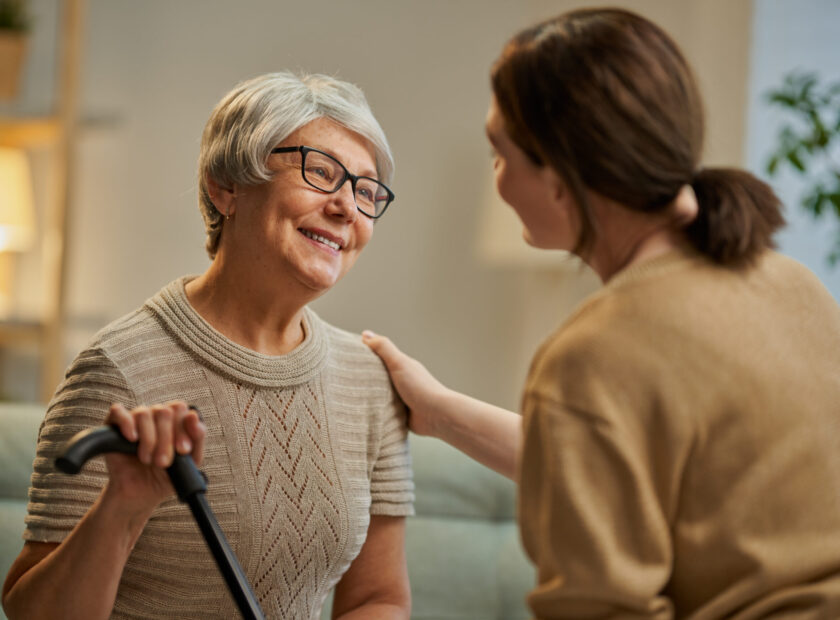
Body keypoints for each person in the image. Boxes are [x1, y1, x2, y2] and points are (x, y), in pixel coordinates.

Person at [363, 7, 840, 619]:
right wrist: (439, 412)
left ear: (560, 180)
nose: (499, 179)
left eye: (500, 153)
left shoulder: (596, 352)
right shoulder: (790, 283)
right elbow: (625, 467)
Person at [2, 71, 414, 620]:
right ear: (227, 186)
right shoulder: (118, 368)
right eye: (321, 172)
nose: (346, 207)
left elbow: (377, 598)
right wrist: (121, 509)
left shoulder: (368, 379)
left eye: (365, 191)